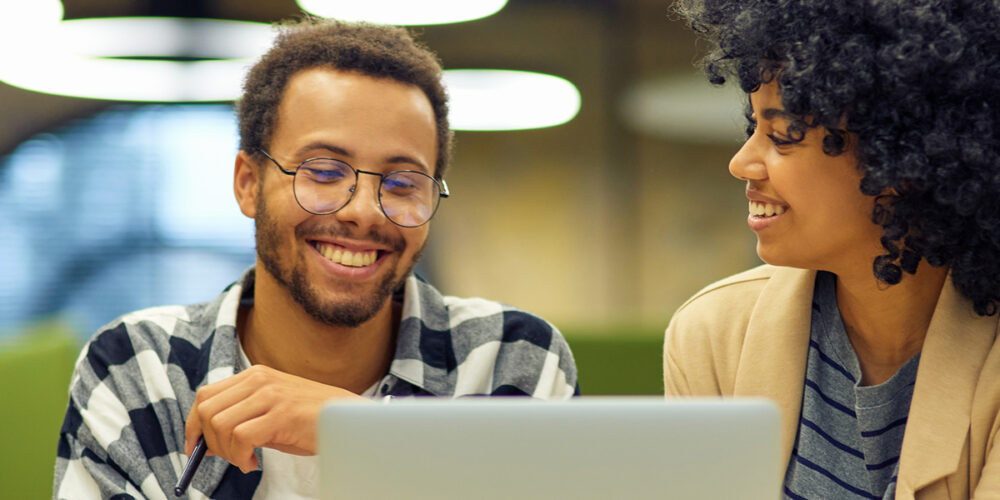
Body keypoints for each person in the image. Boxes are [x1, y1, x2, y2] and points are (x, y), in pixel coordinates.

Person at [53, 19, 578, 499]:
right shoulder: (140, 368)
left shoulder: (509, 360)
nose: (364, 213)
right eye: (324, 173)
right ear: (248, 184)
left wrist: (359, 431)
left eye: (402, 183)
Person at [665, 0, 1000, 498]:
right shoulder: (714, 334)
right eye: (751, 127)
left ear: (900, 159)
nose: (741, 163)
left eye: (782, 136)